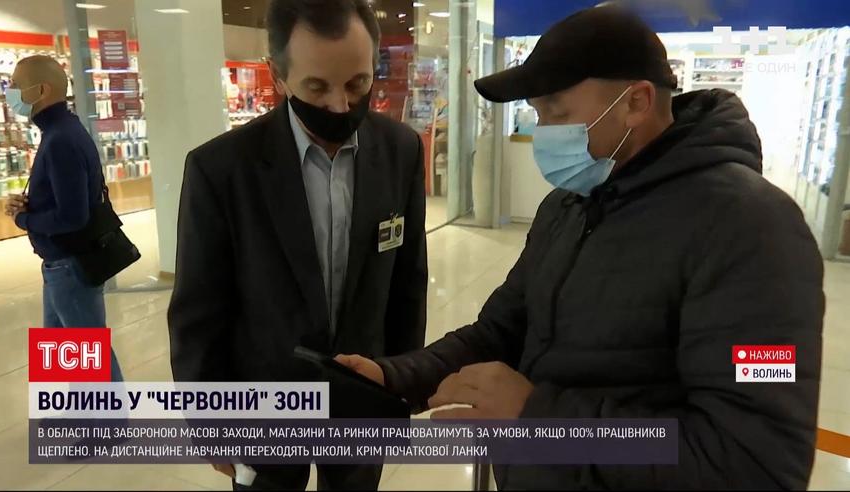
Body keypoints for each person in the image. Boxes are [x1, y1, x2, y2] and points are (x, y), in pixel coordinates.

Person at [337, 6, 824, 490]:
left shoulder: (754, 229)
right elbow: (501, 331)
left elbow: (754, 461)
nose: (544, 131)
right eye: (537, 114)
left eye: (558, 112)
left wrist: (540, 421)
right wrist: (394, 377)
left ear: (636, 102)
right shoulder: (569, 204)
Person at [167, 0, 428, 489]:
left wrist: (402, 385)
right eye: (317, 87)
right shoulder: (221, 169)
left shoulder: (401, 151)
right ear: (279, 76)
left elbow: (406, 284)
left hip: (362, 398)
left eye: (357, 84)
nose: (340, 105)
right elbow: (198, 310)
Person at [5, 55, 124, 383]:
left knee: (88, 361)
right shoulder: (62, 130)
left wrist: (24, 219)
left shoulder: (60, 139)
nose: (9, 92)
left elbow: (72, 216)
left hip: (70, 265)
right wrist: (31, 205)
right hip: (61, 265)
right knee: (69, 356)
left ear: (41, 90)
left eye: (15, 85)